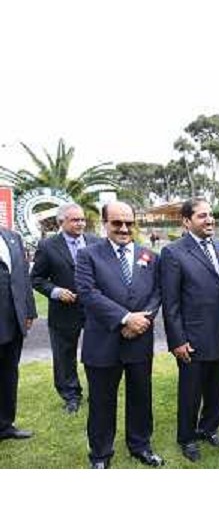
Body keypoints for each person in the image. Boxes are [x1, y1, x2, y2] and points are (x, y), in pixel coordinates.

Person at [75, 201, 163, 469]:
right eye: (117, 223)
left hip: (139, 340)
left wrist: (141, 320)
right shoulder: (88, 255)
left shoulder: (150, 255)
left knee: (141, 397)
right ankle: (101, 455)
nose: (124, 228)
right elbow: (88, 294)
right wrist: (125, 318)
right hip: (103, 342)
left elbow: (157, 292)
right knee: (102, 402)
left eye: (129, 222)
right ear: (105, 224)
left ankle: (140, 445)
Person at [161, 198, 219, 463]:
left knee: (218, 390)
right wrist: (177, 340)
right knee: (191, 393)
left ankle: (209, 428)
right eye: (202, 216)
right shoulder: (173, 253)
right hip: (192, 339)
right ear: (186, 221)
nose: (209, 220)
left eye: (211, 215)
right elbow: (170, 303)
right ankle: (187, 438)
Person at [31, 203, 101, 413]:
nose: (80, 223)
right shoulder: (47, 246)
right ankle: (71, 396)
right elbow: (36, 278)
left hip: (94, 309)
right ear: (61, 222)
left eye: (82, 219)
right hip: (63, 310)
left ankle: (98, 391)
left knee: (97, 351)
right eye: (75, 220)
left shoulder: (96, 242)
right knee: (64, 355)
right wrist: (56, 292)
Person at [0, 226, 36, 441]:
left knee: (8, 373)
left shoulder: (12, 237)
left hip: (13, 320)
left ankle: (5, 426)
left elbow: (23, 275)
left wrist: (29, 310)